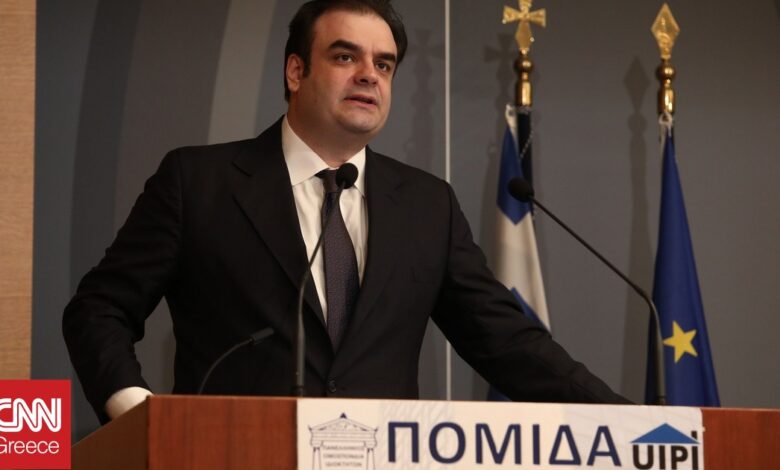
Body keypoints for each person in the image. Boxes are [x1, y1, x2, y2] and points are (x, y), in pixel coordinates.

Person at [63, 0, 628, 424]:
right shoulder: (199, 182)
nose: (368, 75)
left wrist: (630, 422)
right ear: (295, 72)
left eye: (384, 64)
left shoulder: (427, 206)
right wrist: (139, 414)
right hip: (232, 454)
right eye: (344, 56)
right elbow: (99, 308)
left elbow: (508, 343)